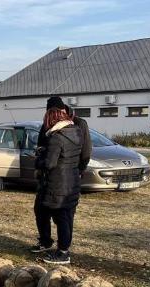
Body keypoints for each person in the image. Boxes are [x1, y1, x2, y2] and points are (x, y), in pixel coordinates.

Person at [31, 102, 83, 265]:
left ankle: (63, 253)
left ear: (51, 120)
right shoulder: (76, 132)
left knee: (61, 218)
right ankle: (60, 247)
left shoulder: (56, 138)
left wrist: (38, 159)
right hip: (72, 180)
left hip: (57, 183)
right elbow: (65, 155)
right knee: (65, 216)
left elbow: (49, 163)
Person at [37, 97, 93, 172]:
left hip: (66, 174)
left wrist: (79, 171)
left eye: (51, 114)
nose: (51, 118)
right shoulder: (47, 124)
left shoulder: (79, 123)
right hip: (53, 174)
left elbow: (86, 151)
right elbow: (41, 144)